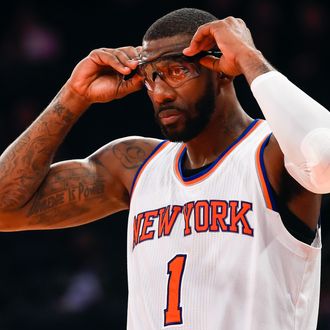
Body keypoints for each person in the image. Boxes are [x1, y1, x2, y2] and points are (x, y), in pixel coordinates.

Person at [0, 7, 329, 330]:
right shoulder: (134, 165)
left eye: (176, 72)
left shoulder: (273, 154)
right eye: (150, 77)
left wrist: (248, 56)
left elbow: (325, 159)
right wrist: (73, 96)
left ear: (222, 69)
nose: (160, 93)